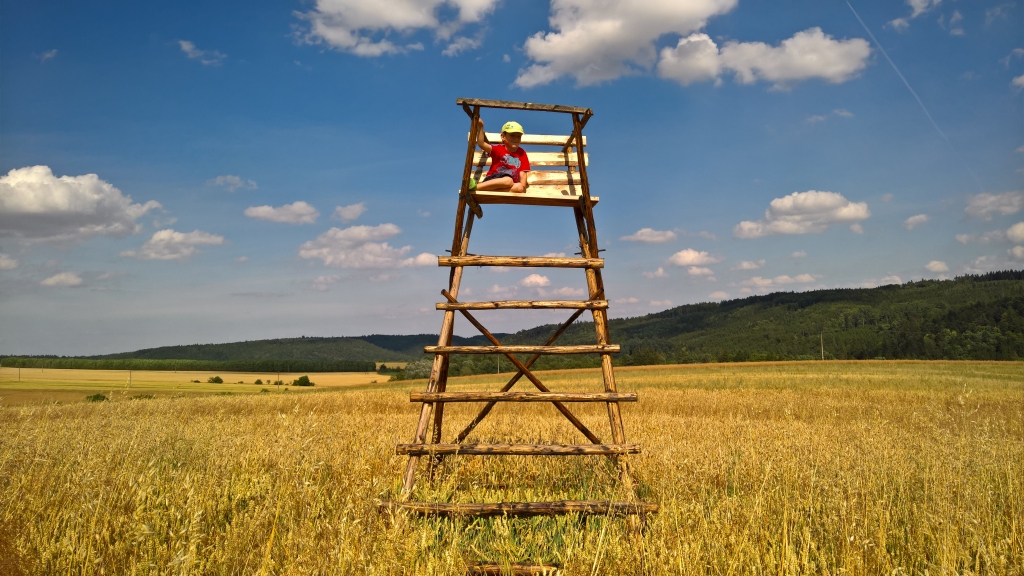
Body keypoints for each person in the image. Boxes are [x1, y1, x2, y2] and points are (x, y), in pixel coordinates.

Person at [469, 119, 531, 193]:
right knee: (508, 180)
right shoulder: (498, 149)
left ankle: (487, 190)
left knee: (519, 187)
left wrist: (523, 188)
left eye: (518, 136)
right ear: (503, 136)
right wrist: (481, 127)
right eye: (512, 135)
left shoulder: (522, 153)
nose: (516, 139)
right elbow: (481, 144)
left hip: (509, 185)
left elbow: (523, 173)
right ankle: (477, 187)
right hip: (494, 179)